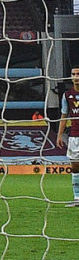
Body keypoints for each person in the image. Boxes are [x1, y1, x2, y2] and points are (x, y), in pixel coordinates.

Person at [56, 67, 79, 207]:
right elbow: (63, 116)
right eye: (74, 74)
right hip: (75, 136)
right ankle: (77, 198)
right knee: (75, 165)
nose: (76, 76)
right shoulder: (66, 95)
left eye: (78, 74)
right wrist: (59, 135)